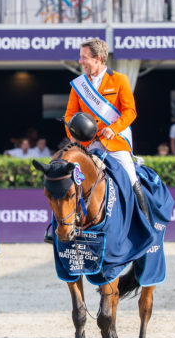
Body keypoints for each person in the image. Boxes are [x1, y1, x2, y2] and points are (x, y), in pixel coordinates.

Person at [64, 38, 150, 228]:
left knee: (130, 177)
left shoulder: (119, 80)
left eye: (84, 58)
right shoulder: (78, 84)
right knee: (65, 178)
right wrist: (73, 135)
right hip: (86, 144)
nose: (80, 62)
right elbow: (69, 115)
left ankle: (145, 224)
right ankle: (59, 225)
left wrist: (114, 128)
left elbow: (130, 111)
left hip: (114, 143)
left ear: (97, 59)